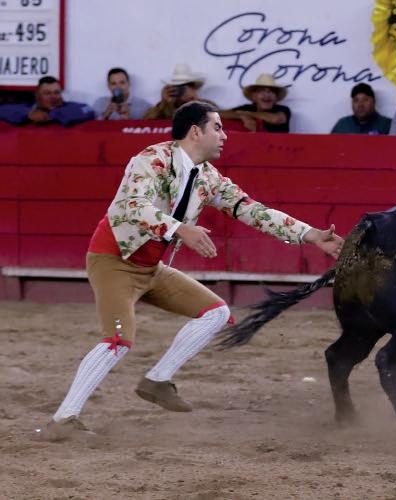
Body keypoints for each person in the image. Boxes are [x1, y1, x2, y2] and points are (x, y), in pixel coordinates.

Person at [40, 101, 345, 441]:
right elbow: (132, 206)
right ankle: (63, 420)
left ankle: (157, 380)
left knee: (216, 312)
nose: (224, 136)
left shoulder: (208, 178)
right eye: (218, 127)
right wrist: (179, 229)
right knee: (118, 339)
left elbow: (252, 210)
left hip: (150, 267)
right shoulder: (151, 159)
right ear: (196, 131)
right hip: (114, 259)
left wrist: (310, 234)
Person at [0, 76, 95, 127]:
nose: (53, 97)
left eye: (57, 92)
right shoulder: (28, 107)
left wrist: (52, 115)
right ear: (37, 95)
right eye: (47, 93)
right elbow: (2, 110)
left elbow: (88, 110)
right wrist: (28, 114)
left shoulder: (70, 106)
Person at [221, 73, 292, 133]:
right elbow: (218, 114)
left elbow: (277, 119)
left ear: (276, 97)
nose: (267, 95)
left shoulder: (283, 109)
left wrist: (249, 115)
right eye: (261, 91)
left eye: (271, 91)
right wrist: (242, 116)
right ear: (254, 96)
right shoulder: (248, 108)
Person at [144, 64, 218, 120]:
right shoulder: (166, 106)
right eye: (178, 86)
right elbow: (146, 122)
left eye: (185, 86)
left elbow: (218, 119)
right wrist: (164, 102)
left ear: (193, 88)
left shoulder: (206, 104)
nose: (181, 90)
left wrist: (195, 102)